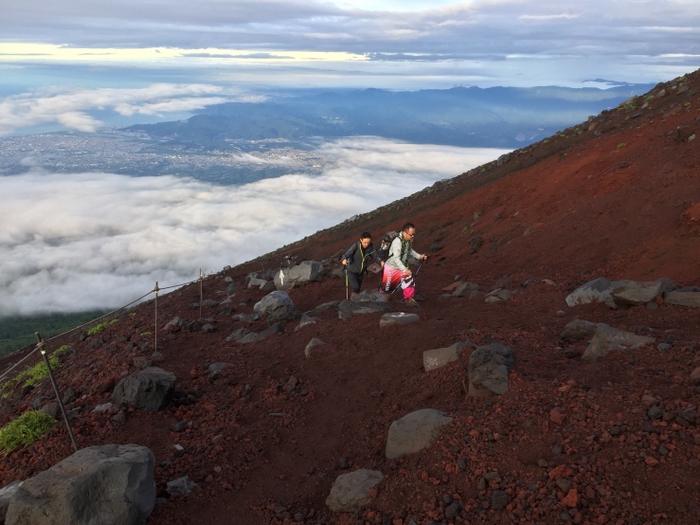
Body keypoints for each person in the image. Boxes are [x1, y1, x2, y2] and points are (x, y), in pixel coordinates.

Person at [380, 222, 428, 306]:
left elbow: (410, 251)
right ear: (404, 233)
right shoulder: (397, 242)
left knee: (409, 280)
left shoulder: (407, 241)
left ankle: (408, 299)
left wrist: (419, 256)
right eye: (411, 234)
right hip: (391, 267)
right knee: (386, 288)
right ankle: (380, 302)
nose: (412, 236)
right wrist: (405, 270)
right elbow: (396, 258)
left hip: (401, 266)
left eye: (414, 234)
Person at [342, 232, 381, 298]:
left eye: (368, 242)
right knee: (356, 287)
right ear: (361, 240)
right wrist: (344, 259)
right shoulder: (356, 246)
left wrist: (380, 262)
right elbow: (347, 254)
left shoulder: (371, 248)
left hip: (361, 272)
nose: (366, 244)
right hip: (352, 271)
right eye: (365, 242)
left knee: (358, 288)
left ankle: (355, 301)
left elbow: (375, 256)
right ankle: (352, 301)